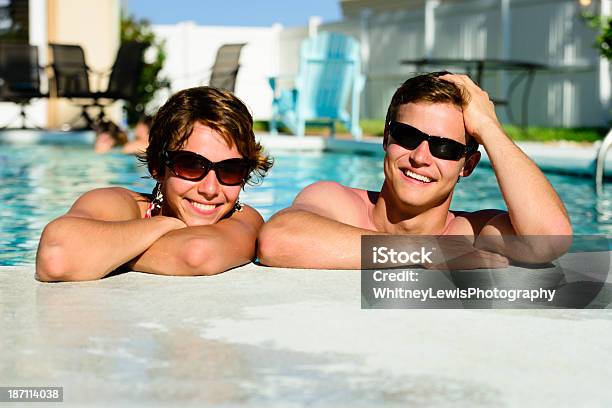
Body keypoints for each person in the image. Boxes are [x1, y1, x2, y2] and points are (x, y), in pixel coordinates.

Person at [257, 72, 572, 269]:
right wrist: (429, 252)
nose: (421, 157)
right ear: (386, 139)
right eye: (408, 137)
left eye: (445, 148)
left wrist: (490, 129)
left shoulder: (472, 232)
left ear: (468, 165)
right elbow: (277, 240)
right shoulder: (336, 203)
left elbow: (550, 240)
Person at [37, 86, 273, 281]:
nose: (210, 189)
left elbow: (197, 253)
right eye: (191, 165)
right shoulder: (118, 203)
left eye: (230, 170)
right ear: (158, 167)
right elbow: (56, 256)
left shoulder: (244, 220)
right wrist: (164, 224)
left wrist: (101, 252)